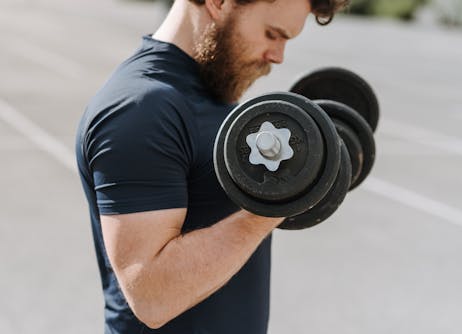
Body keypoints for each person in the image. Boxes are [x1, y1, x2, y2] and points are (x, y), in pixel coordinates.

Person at [75, 0, 348, 332]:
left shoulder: (214, 90)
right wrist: (280, 199)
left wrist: (314, 176)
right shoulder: (142, 110)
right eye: (272, 34)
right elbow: (150, 295)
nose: (278, 56)